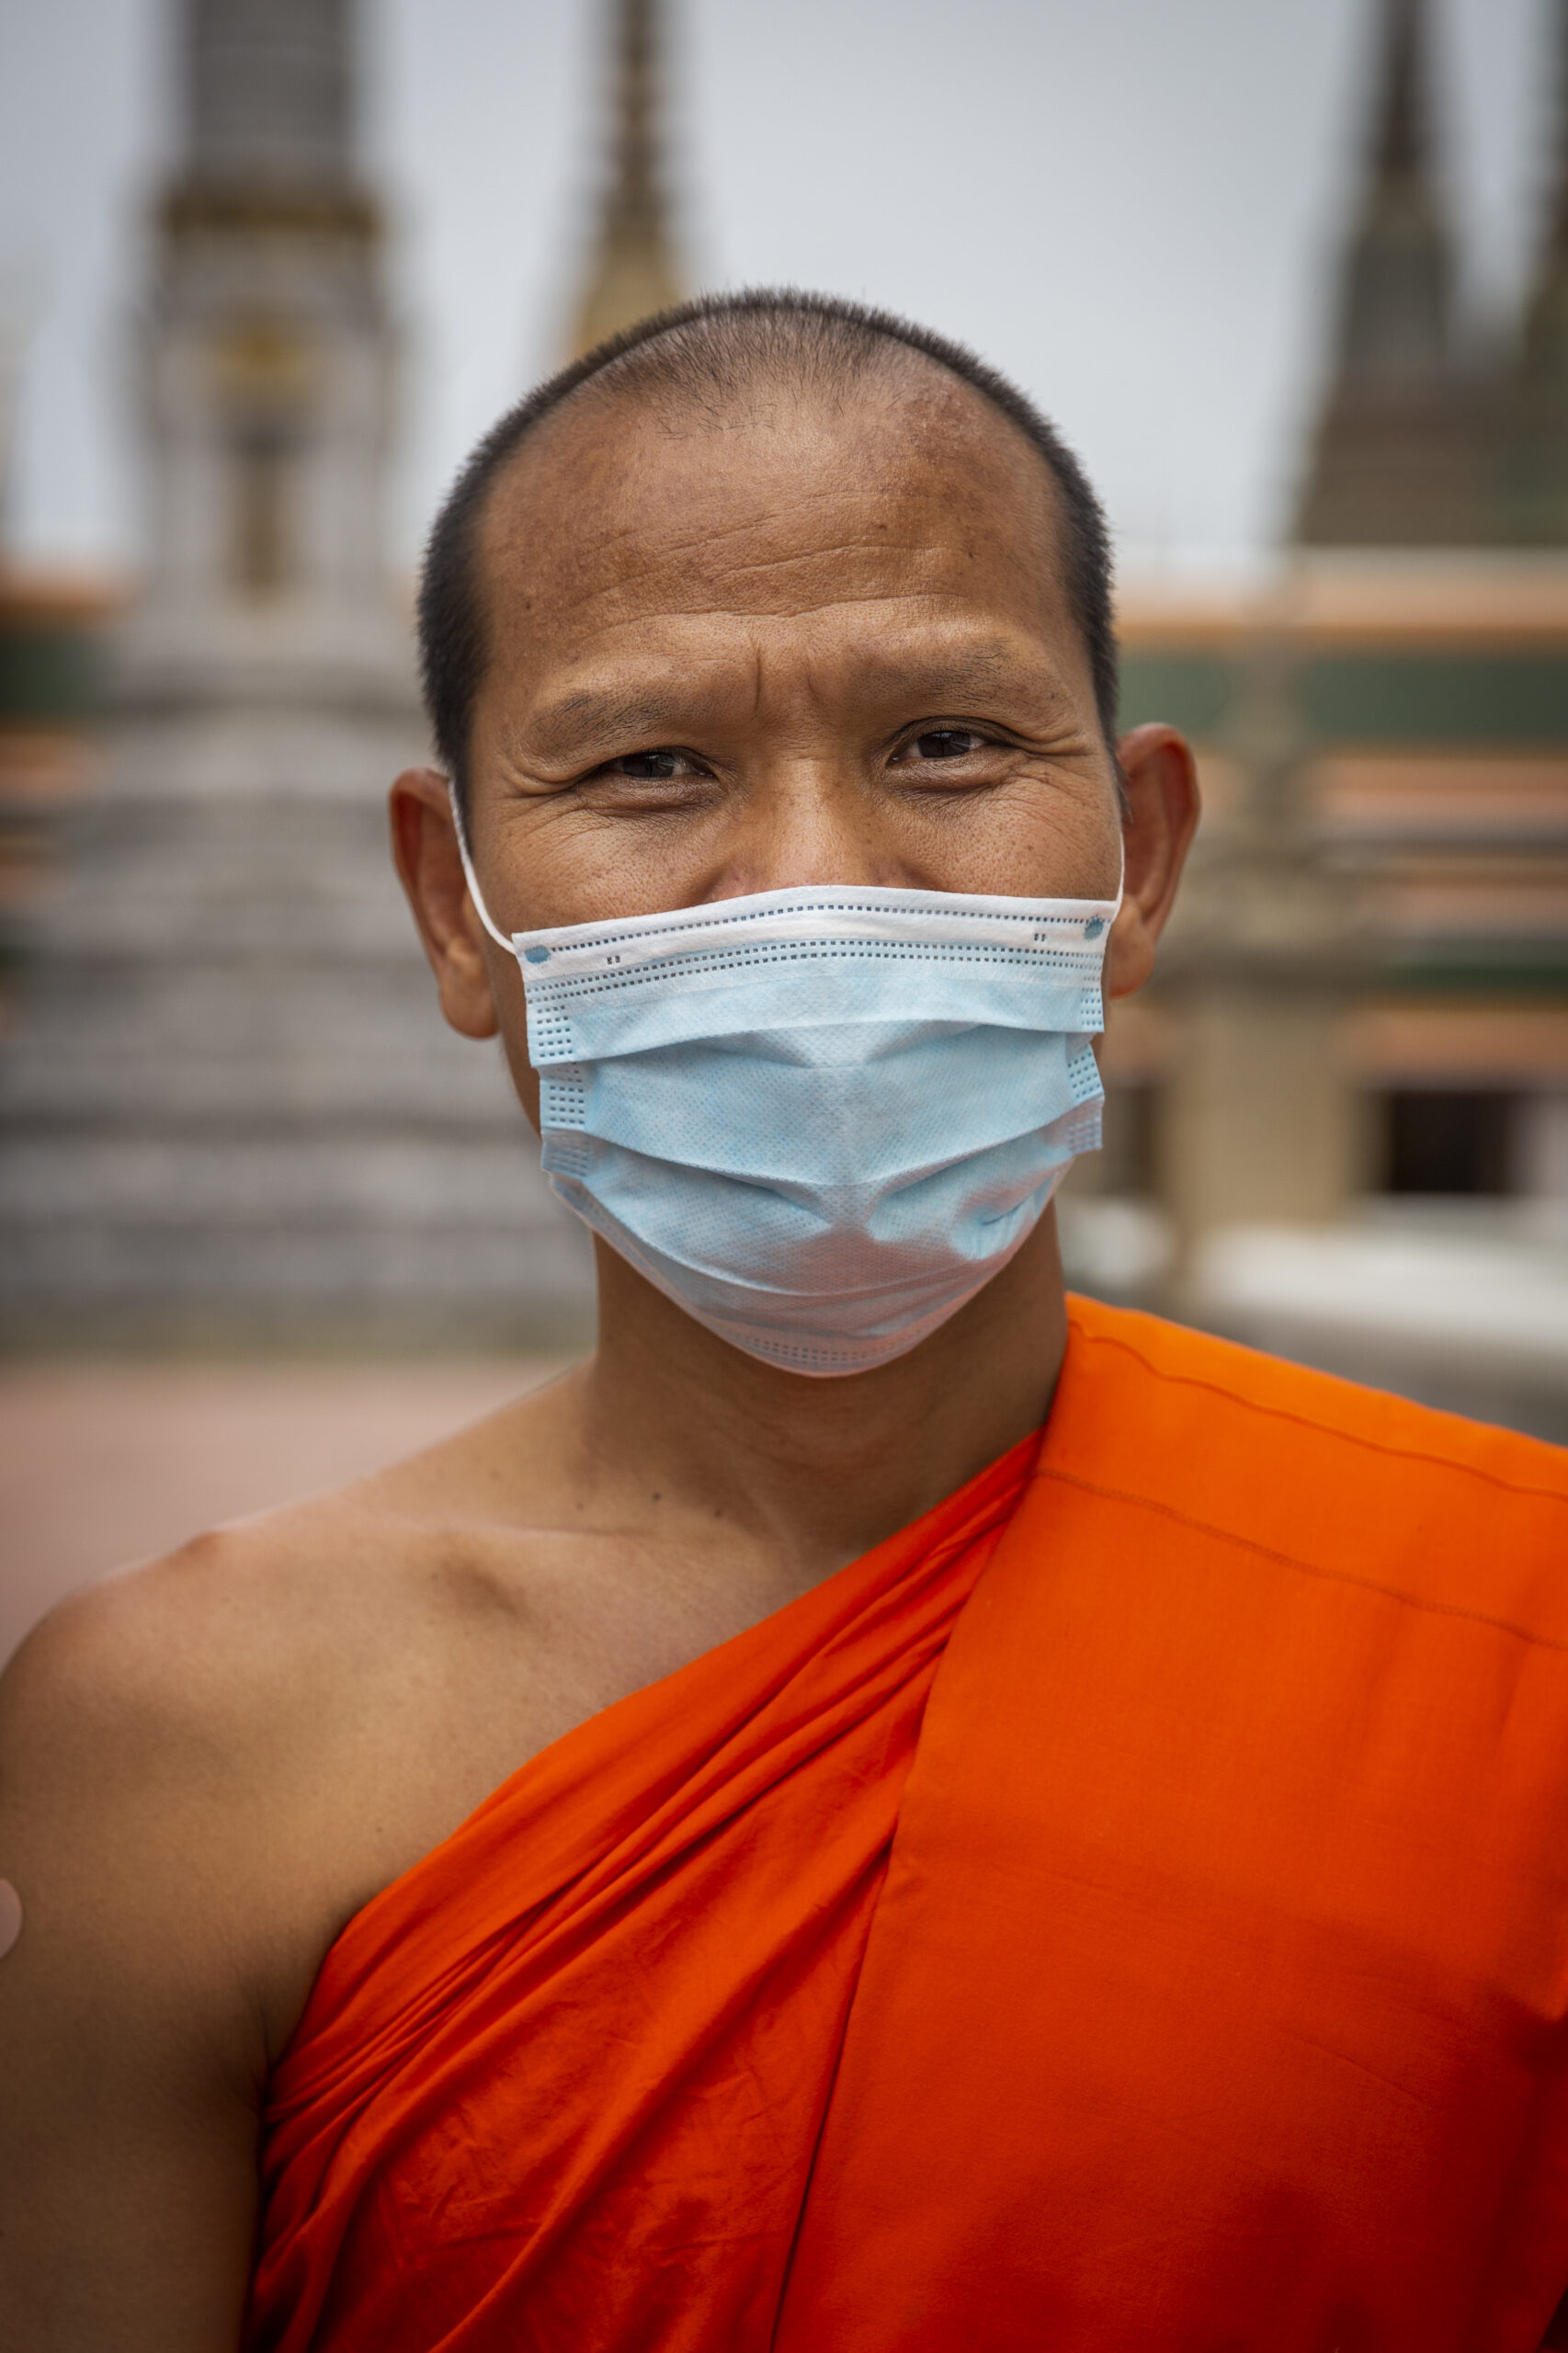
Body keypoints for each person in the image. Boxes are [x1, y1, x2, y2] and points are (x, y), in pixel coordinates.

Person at [3, 290, 1567, 2353]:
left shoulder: (1512, 1630)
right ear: (455, 915)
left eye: (947, 740)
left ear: (1146, 860)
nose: (814, 884)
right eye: (650, 763)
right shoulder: (173, 1751)